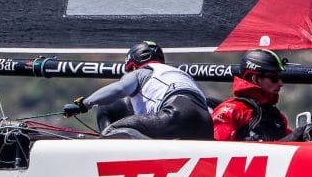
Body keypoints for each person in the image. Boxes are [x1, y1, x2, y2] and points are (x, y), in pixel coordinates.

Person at [63, 41, 213, 140]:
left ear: (133, 66)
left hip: (175, 114)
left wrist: (84, 104)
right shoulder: (179, 74)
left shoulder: (142, 72)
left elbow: (118, 89)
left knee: (112, 130)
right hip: (206, 123)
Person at [212, 48, 293, 141]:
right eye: (274, 78)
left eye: (281, 77)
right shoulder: (230, 111)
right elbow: (214, 150)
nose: (280, 83)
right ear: (255, 79)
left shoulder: (279, 117)